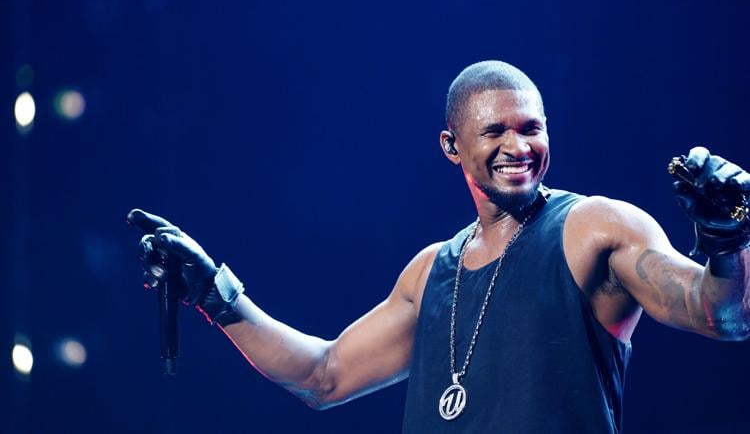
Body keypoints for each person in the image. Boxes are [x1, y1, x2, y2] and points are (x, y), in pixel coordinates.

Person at [128, 60, 750, 433]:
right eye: (495, 130)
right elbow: (324, 375)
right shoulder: (432, 272)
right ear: (453, 146)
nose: (519, 145)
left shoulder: (594, 227)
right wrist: (217, 292)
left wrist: (726, 241)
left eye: (532, 127)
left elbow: (720, 314)